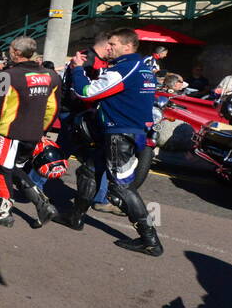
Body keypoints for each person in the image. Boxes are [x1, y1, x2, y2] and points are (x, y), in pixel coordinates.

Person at [59, 28, 162, 256]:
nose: (109, 47)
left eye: (113, 44)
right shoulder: (144, 67)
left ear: (127, 46)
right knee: (87, 171)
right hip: (126, 132)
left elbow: (87, 93)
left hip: (119, 134)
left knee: (121, 187)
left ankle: (150, 240)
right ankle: (75, 217)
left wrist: (77, 70)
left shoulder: (125, 68)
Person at [0, 36, 61, 228]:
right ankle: (42, 205)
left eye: (11, 50)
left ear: (16, 53)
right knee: (14, 168)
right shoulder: (51, 75)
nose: (9, 53)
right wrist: (42, 129)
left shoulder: (8, 75)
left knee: (3, 168)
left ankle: (5, 210)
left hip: (11, 131)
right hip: (35, 132)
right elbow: (53, 109)